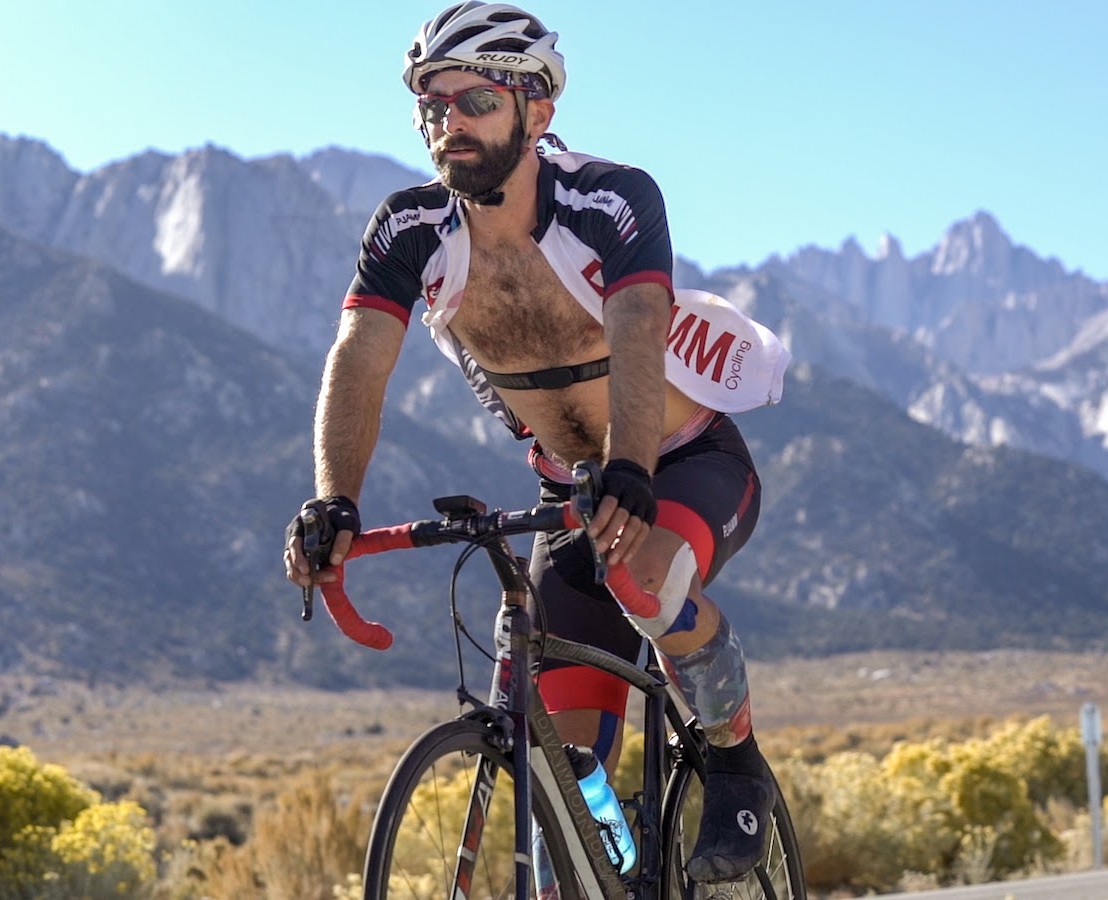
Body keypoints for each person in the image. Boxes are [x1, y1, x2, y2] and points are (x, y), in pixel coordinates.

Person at [283, 1, 791, 882]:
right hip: (579, 490)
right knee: (562, 767)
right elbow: (359, 359)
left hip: (683, 461)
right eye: (430, 106)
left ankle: (736, 760)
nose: (449, 126)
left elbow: (637, 330)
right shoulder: (410, 232)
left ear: (537, 109)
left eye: (473, 101)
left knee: (644, 572)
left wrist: (631, 467)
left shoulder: (609, 200)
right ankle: (616, 862)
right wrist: (335, 501)